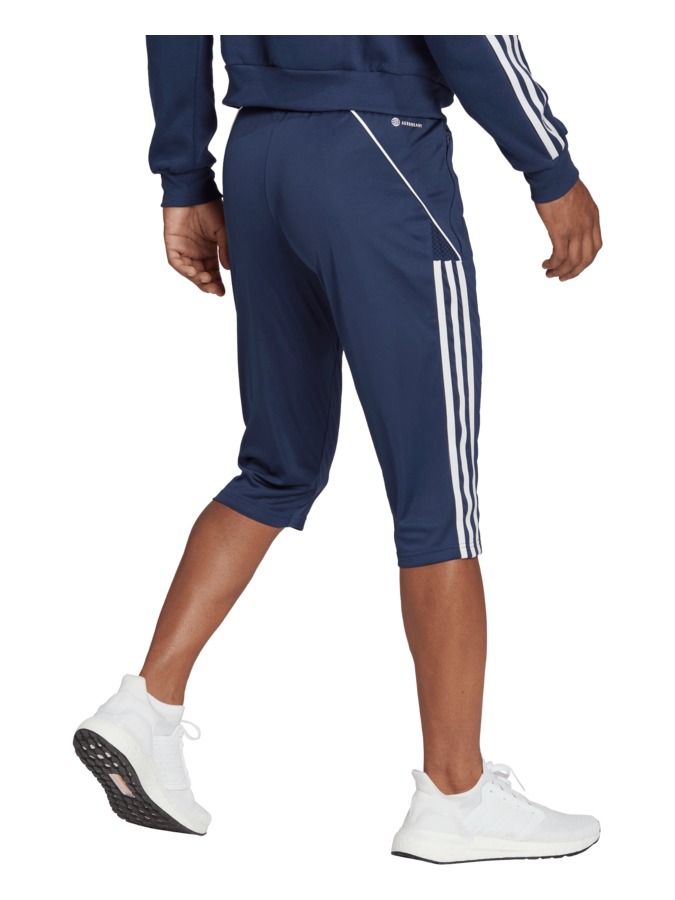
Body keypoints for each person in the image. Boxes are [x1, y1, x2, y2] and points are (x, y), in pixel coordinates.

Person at [73, 35, 602, 863]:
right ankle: (454, 796)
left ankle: (145, 707)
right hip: (377, 152)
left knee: (276, 467)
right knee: (436, 495)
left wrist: (183, 178)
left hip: (259, 155)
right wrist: (549, 166)